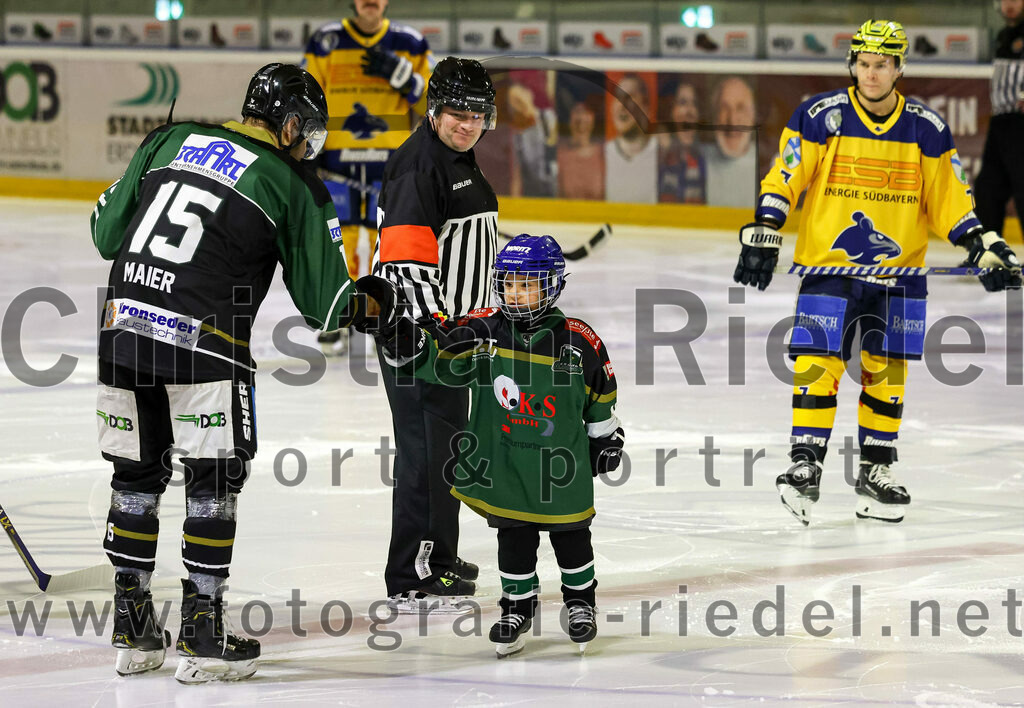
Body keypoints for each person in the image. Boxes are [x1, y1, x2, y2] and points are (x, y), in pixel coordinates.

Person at [91, 63, 392, 682]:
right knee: (213, 481)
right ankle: (203, 632)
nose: (308, 145)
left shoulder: (168, 139)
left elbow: (104, 231)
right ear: (289, 125)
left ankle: (132, 626)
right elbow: (327, 308)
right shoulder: (291, 182)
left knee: (135, 476)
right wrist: (377, 305)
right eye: (307, 132)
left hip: (122, 332)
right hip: (204, 345)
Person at [732, 20, 1021, 525]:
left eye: (881, 65)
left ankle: (875, 473)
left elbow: (950, 201)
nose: (870, 74)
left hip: (900, 274)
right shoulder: (820, 115)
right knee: (817, 362)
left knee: (886, 374)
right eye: (863, 64)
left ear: (899, 67)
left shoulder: (926, 128)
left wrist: (980, 244)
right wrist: (766, 226)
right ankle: (805, 466)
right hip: (830, 266)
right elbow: (786, 174)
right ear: (853, 64)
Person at [377, 234, 624, 657]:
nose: (514, 293)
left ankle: (581, 602)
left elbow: (601, 392)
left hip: (561, 466)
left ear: (552, 285)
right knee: (514, 540)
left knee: (572, 539)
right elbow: (440, 360)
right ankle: (517, 608)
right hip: (508, 463)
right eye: (508, 283)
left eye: (526, 285)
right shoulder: (485, 331)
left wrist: (605, 436)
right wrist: (405, 339)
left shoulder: (578, 339)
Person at [373, 56, 498, 612]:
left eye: (478, 114)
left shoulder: (453, 155)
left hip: (452, 335)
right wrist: (437, 333)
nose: (468, 123)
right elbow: (406, 265)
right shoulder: (419, 166)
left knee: (446, 450)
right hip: (422, 339)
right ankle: (413, 572)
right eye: (457, 113)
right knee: (426, 456)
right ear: (434, 110)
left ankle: (439, 555)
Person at [303, 0, 432, 355]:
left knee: (388, 245)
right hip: (336, 160)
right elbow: (308, 95)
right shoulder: (326, 40)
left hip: (390, 162)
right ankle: (339, 317)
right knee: (338, 243)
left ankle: (388, 318)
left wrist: (403, 76)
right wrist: (308, 149)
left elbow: (431, 102)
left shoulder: (410, 42)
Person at [974, 0, 1024, 237]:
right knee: (988, 189)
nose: (1009, 4)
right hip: (1001, 122)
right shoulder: (1004, 35)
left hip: (1020, 122)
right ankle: (990, 247)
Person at [702, 76, 756, 207]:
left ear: (753, 116)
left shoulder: (769, 165)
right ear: (715, 117)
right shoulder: (696, 159)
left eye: (740, 108)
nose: (732, 120)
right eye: (724, 108)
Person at [604, 73, 657, 204]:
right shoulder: (602, 155)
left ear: (646, 108)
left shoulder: (662, 154)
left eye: (630, 98)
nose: (622, 106)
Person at [658, 79, 706, 203]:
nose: (689, 110)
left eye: (694, 103)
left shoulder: (706, 155)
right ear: (672, 110)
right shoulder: (661, 153)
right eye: (683, 103)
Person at [557, 97, 605, 200]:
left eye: (586, 112)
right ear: (569, 120)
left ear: (593, 120)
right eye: (577, 111)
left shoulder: (604, 154)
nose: (581, 118)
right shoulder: (560, 155)